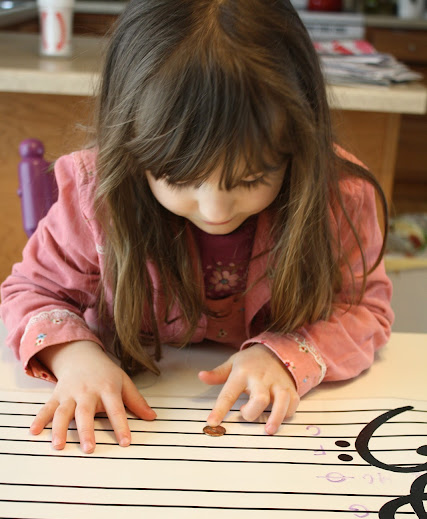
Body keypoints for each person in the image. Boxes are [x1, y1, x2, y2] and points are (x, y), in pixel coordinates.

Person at [0, 0, 393, 453]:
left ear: (297, 141)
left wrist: (285, 354)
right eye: (180, 178)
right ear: (132, 145)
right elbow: (32, 292)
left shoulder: (338, 197)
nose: (215, 209)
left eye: (250, 179)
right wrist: (74, 356)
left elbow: (365, 309)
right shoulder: (97, 195)